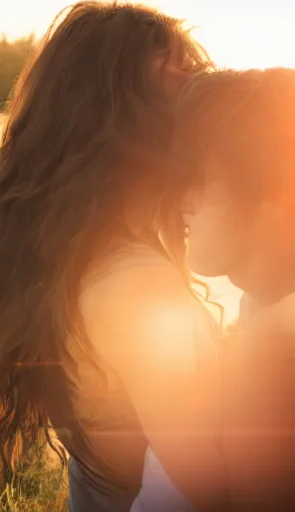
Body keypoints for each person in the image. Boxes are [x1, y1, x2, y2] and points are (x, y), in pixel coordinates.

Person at [0, 2, 231, 511]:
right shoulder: (137, 287)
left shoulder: (87, 254)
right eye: (186, 78)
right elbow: (205, 491)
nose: (207, 97)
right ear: (124, 116)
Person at [174, 67, 295, 510]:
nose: (179, 198)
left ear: (276, 198)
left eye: (199, 179)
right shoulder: (262, 303)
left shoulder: (275, 359)